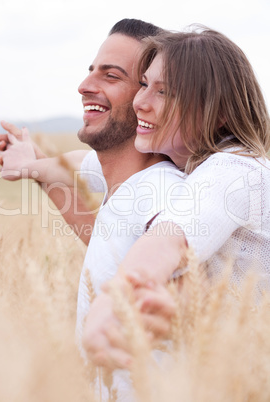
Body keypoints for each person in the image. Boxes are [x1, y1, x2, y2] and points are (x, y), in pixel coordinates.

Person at [0, 19, 186, 401]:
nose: (85, 86)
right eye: (90, 71)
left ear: (149, 98)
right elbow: (109, 243)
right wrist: (35, 166)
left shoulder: (164, 195)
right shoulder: (134, 189)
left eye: (110, 75)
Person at [83, 25, 270, 374]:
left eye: (165, 92)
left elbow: (170, 238)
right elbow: (87, 163)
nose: (141, 102)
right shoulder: (186, 161)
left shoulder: (235, 170)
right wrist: (33, 161)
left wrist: (114, 302)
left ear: (219, 112)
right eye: (144, 84)